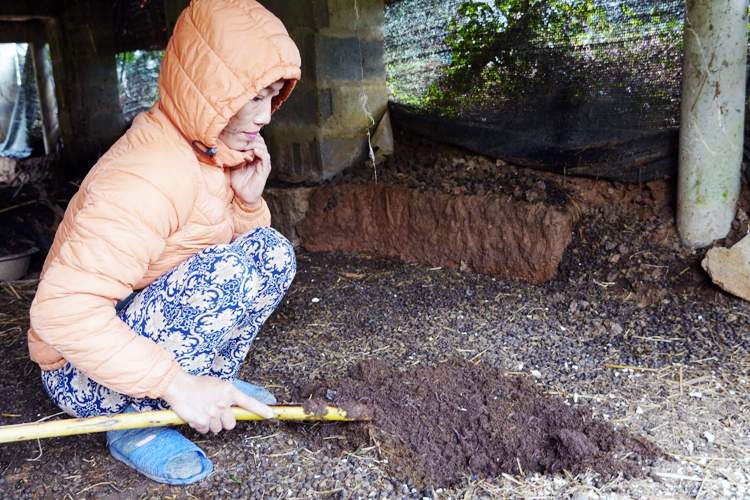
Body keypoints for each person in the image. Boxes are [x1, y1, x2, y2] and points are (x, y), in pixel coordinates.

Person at [27, 0, 301, 484]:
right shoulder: (148, 173)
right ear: (213, 92)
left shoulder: (207, 149)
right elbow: (61, 311)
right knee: (229, 273)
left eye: (272, 96)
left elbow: (221, 256)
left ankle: (206, 384)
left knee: (270, 253)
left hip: (136, 332)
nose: (265, 117)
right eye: (254, 96)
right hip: (82, 371)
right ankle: (138, 424)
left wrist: (246, 204)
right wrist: (173, 383)